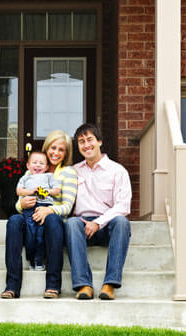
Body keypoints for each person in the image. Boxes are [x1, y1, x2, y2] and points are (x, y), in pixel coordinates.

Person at [0, 130, 77, 299]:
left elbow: (67, 206)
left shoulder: (68, 173)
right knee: (13, 220)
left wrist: (49, 210)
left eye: (61, 149)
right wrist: (21, 204)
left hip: (52, 221)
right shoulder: (33, 170)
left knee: (53, 220)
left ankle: (53, 285)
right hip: (30, 216)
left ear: (66, 153)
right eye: (53, 148)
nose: (56, 153)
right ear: (46, 148)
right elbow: (20, 200)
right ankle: (12, 286)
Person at [65, 123, 132, 300]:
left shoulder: (117, 171)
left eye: (90, 140)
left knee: (122, 222)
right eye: (81, 141)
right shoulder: (73, 171)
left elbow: (123, 206)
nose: (86, 145)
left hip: (107, 225)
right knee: (71, 223)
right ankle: (84, 285)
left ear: (99, 142)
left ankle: (109, 284)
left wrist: (98, 222)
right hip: (81, 226)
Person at [16, 151, 61, 270]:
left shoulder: (49, 176)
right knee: (31, 234)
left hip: (45, 206)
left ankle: (39, 260)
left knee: (41, 235)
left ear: (46, 167)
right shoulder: (25, 177)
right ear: (28, 165)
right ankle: (31, 260)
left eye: (41, 163)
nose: (37, 165)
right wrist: (32, 192)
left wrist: (47, 192)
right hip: (30, 207)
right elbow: (19, 191)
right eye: (34, 162)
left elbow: (57, 191)